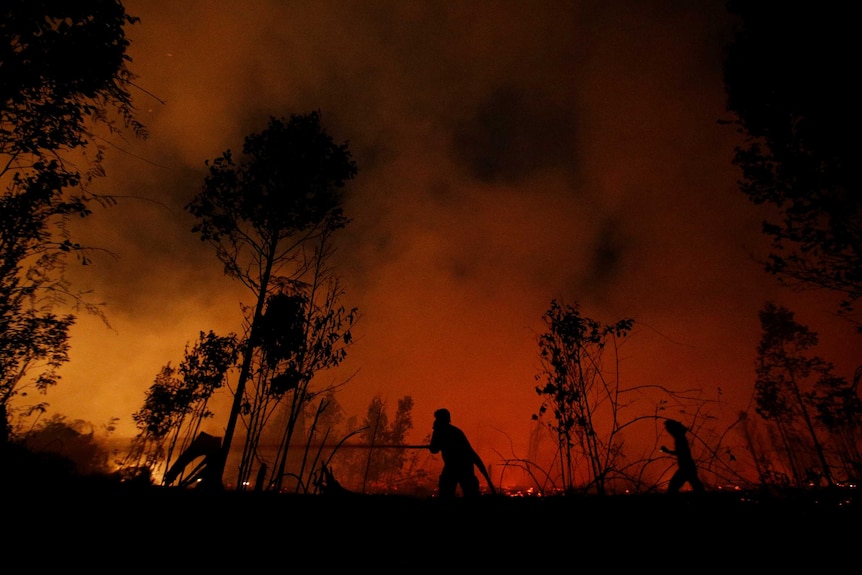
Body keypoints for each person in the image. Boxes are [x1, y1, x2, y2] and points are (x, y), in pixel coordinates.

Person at [429, 408, 496, 498]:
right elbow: (435, 449)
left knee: (453, 494)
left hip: (459, 467)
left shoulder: (441, 431)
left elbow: (434, 449)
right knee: (463, 493)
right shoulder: (455, 432)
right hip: (460, 466)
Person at [660, 419, 705, 494]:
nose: (668, 431)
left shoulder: (680, 439)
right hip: (688, 467)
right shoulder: (681, 438)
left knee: (672, 488)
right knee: (697, 487)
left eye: (669, 429)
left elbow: (681, 453)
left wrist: (667, 451)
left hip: (686, 468)